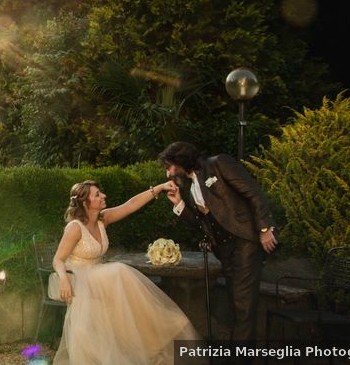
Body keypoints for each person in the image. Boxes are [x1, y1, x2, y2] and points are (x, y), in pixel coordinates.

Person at [52, 180, 200, 365]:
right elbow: (58, 259)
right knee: (119, 270)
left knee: (123, 286)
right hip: (80, 280)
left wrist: (160, 188)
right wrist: (64, 278)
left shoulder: (101, 219)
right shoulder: (75, 227)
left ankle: (151, 338)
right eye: (97, 195)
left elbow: (130, 205)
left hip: (99, 276)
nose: (103, 196)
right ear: (85, 203)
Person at [158, 141, 278, 343]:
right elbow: (201, 224)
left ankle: (240, 359)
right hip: (226, 250)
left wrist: (265, 228)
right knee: (235, 304)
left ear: (181, 160)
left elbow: (253, 193)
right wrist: (179, 203)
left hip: (245, 241)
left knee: (243, 305)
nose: (168, 173)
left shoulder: (218, 163)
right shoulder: (193, 187)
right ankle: (236, 355)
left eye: (169, 166)